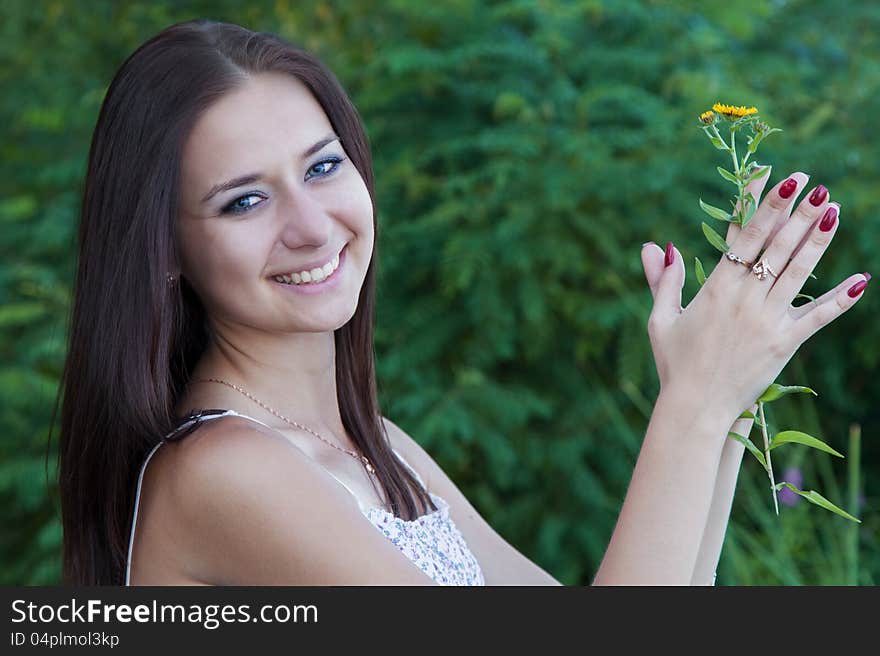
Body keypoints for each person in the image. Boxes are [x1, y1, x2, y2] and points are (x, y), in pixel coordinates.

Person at [55, 19, 870, 586]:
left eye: (322, 167)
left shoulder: (379, 451)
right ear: (164, 250)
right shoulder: (220, 474)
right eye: (243, 201)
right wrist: (691, 408)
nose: (310, 226)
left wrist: (725, 397)